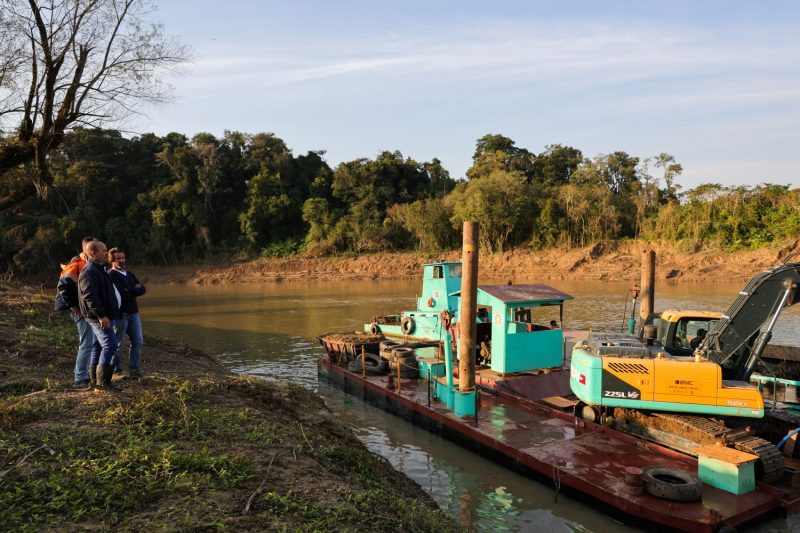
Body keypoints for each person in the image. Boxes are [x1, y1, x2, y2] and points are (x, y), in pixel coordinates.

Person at [78, 240, 122, 392]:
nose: (106, 253)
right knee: (110, 345)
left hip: (103, 315)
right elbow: (89, 296)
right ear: (92, 253)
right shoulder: (89, 271)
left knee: (97, 347)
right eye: (103, 251)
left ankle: (94, 382)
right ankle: (103, 384)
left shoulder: (100, 268)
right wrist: (101, 316)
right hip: (98, 317)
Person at [54, 236, 96, 389]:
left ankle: (88, 375)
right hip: (78, 309)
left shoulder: (90, 265)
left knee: (91, 342)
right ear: (86, 252)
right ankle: (80, 378)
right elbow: (63, 287)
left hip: (86, 309)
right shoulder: (77, 264)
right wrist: (73, 306)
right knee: (86, 342)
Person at [107, 248, 146, 377]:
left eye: (123, 257)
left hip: (134, 313)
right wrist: (133, 289)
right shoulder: (111, 275)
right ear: (112, 260)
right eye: (118, 258)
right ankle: (116, 371)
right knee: (118, 344)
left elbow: (142, 289)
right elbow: (123, 295)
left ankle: (134, 370)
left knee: (138, 341)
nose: (121, 260)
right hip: (120, 314)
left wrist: (131, 290)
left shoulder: (129, 273)